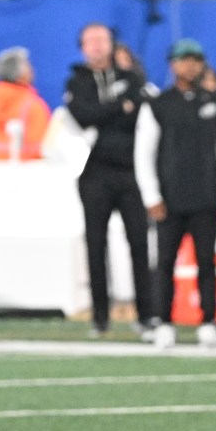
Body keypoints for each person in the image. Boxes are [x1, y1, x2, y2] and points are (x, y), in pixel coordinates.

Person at [133, 39, 216, 348]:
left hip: (207, 195)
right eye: (184, 59)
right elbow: (144, 153)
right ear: (172, 64)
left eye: (196, 59)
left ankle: (208, 321)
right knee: (165, 262)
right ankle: (163, 321)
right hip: (169, 198)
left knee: (207, 261)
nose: (190, 65)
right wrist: (151, 196)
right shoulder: (158, 104)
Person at [64, 23, 154, 339]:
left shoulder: (131, 77)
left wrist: (108, 112)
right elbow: (82, 115)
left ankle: (146, 315)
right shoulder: (78, 80)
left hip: (131, 172)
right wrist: (119, 106)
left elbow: (137, 112)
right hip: (95, 173)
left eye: (102, 40)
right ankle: (100, 317)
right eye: (91, 41)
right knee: (95, 243)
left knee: (139, 243)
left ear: (112, 44)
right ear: (82, 47)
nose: (98, 46)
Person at [0, 47, 50, 160]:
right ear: (22, 73)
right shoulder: (33, 107)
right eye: (29, 66)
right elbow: (38, 148)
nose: (33, 71)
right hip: (22, 172)